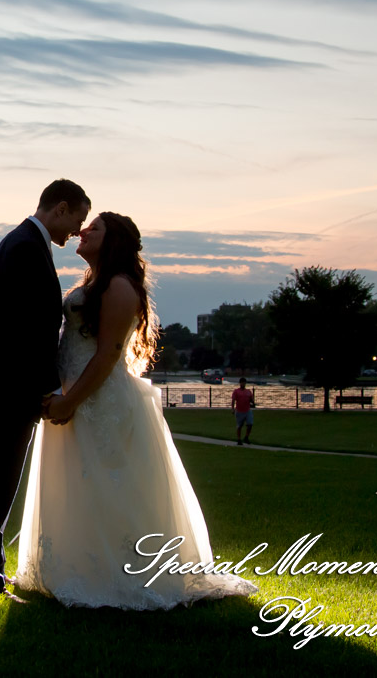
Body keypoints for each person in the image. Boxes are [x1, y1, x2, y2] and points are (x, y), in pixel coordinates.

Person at [14, 212, 257, 608]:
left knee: (109, 486)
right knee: (77, 483)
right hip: (76, 395)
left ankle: (121, 574)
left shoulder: (119, 286)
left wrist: (71, 401)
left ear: (114, 241)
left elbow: (109, 352)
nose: (83, 231)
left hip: (99, 401)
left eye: (94, 228)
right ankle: (74, 567)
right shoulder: (93, 283)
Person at [0, 179, 90, 597]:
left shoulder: (25, 244)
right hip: (8, 386)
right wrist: (46, 389)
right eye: (77, 219)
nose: (76, 232)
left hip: (5, 384)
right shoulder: (23, 248)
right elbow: (25, 332)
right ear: (61, 208)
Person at [232, 377, 254, 445]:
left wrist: (253, 403)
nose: (243, 384)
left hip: (247, 410)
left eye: (244, 383)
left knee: (250, 424)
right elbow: (233, 400)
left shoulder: (248, 392)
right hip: (239, 411)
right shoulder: (236, 391)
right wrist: (232, 409)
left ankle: (246, 437)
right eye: (242, 383)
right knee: (239, 426)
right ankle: (239, 439)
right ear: (240, 383)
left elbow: (251, 399)